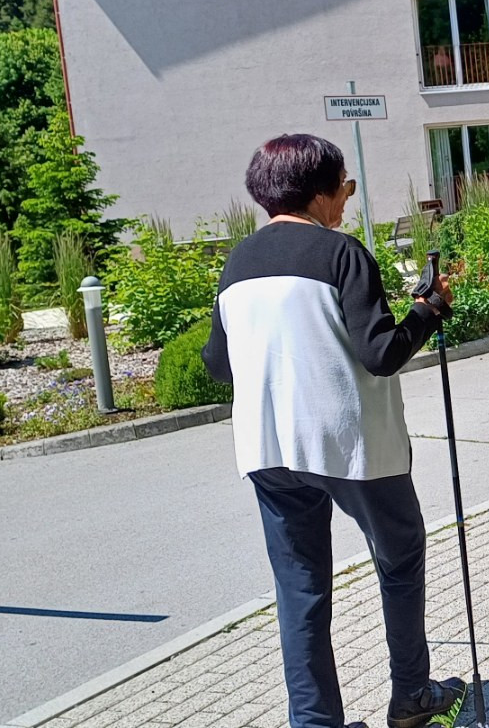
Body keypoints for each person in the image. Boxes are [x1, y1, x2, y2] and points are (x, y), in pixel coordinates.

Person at [202, 134, 465, 728]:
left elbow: (218, 364)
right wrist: (427, 312)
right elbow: (380, 355)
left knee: (300, 588)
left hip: (267, 448)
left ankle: (316, 724)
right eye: (345, 186)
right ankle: (411, 698)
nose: (347, 198)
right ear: (320, 191)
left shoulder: (238, 262)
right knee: (399, 558)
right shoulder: (342, 253)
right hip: (351, 444)